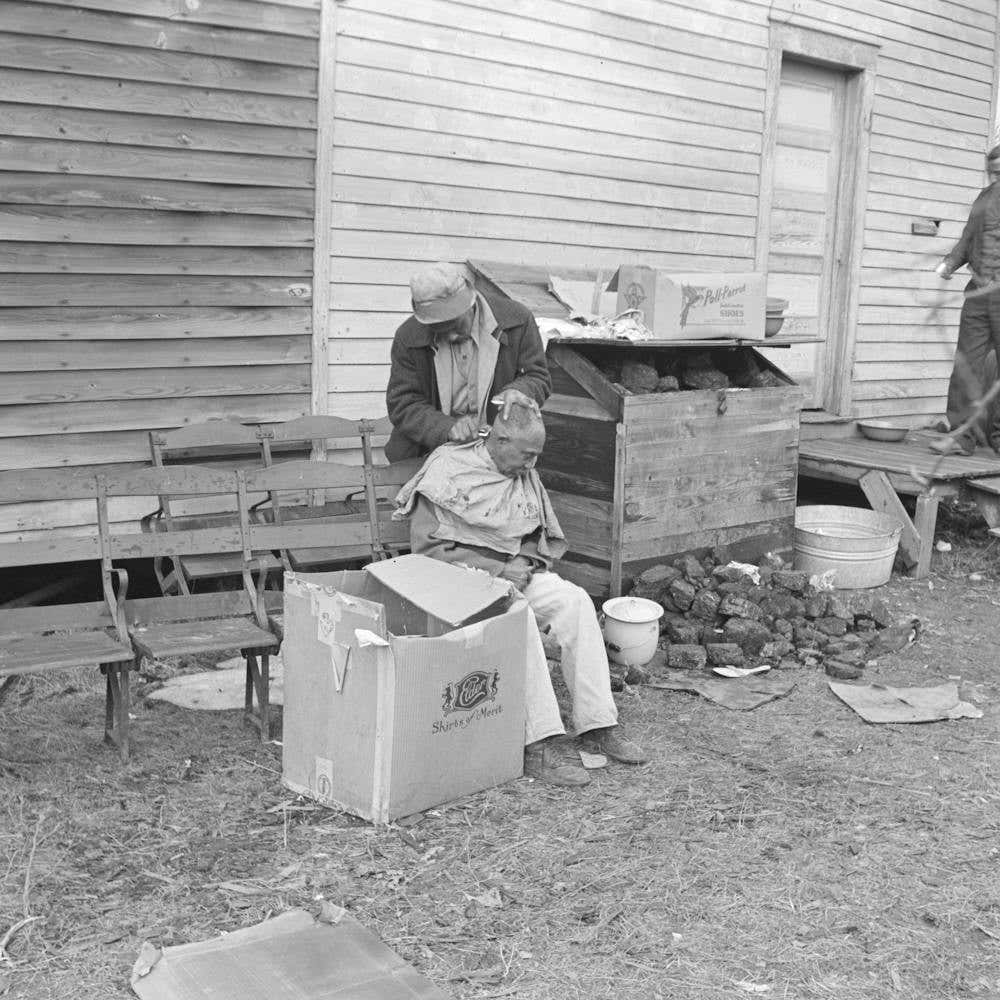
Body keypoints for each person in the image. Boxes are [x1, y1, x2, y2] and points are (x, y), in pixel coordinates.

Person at [394, 405, 648, 787]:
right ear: (499, 440)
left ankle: (597, 723)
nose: (532, 465)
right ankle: (539, 743)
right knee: (520, 616)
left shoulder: (523, 472)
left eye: (537, 456)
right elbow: (427, 552)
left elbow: (535, 532)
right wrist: (498, 570)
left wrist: (524, 561)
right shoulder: (449, 468)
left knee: (575, 602)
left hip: (514, 572)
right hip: (458, 581)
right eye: (527, 454)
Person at [384, 262, 551, 462]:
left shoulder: (517, 320)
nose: (452, 336)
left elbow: (537, 376)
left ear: (470, 304)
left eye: (455, 324)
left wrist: (520, 391)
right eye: (439, 329)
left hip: (496, 451)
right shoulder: (409, 336)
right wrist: (445, 427)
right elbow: (403, 403)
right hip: (428, 451)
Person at [934, 145, 1000, 456]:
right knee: (966, 365)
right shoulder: (983, 198)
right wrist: (950, 263)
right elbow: (968, 238)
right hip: (978, 292)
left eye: (999, 170)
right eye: (992, 170)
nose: (994, 175)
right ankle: (961, 437)